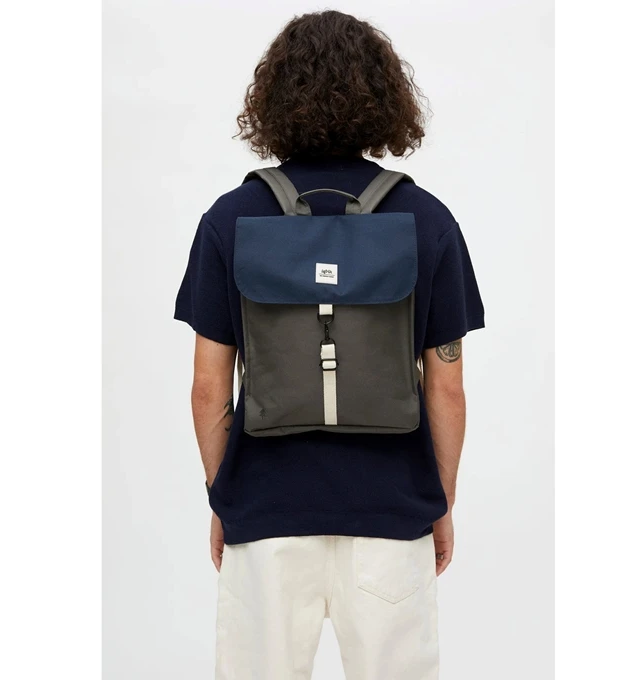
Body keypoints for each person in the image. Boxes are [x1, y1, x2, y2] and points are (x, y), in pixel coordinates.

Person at [175, 10, 484, 680]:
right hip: (391, 515)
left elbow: (207, 388)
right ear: (386, 97)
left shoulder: (230, 220)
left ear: (273, 97)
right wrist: (439, 502)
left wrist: (224, 495)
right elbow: (448, 386)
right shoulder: (426, 221)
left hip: (266, 514)